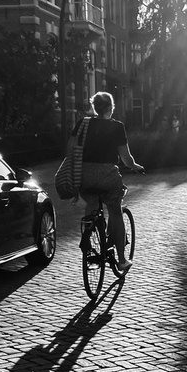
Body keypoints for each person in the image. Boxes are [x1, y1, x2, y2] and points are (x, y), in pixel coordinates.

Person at [69, 91, 144, 272]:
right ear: (110, 108)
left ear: (95, 107)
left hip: (84, 176)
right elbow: (126, 159)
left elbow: (70, 148)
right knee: (116, 213)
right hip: (108, 176)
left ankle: (87, 235)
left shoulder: (82, 124)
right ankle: (121, 260)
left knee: (92, 204)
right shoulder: (117, 127)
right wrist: (135, 166)